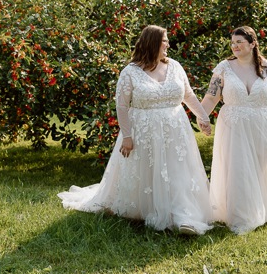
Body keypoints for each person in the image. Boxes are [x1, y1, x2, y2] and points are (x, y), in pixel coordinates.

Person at [58, 25, 213, 235]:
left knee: (177, 172)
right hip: (144, 131)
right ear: (152, 43)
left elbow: (188, 95)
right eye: (164, 41)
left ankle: (183, 216)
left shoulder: (175, 66)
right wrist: (128, 136)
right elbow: (122, 106)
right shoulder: (130, 72)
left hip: (176, 131)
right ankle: (149, 208)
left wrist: (202, 116)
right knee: (149, 172)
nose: (168, 44)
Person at [201, 26, 267, 234]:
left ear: (253, 44)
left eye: (240, 42)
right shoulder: (223, 68)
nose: (235, 46)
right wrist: (203, 117)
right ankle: (241, 214)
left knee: (262, 167)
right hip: (233, 125)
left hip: (262, 125)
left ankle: (263, 209)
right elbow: (211, 97)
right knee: (238, 169)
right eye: (232, 43)